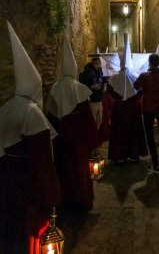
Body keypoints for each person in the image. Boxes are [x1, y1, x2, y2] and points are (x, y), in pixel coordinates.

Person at [0, 22, 61, 254]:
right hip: (27, 184)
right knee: (28, 234)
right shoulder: (32, 112)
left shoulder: (4, 109)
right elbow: (42, 159)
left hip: (6, 182)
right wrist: (52, 195)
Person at [46, 33, 99, 211]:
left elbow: (51, 115)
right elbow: (87, 118)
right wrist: (93, 142)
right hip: (79, 140)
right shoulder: (79, 89)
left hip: (61, 139)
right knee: (80, 171)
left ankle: (65, 202)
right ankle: (82, 201)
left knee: (64, 169)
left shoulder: (55, 88)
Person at [107, 33, 147, 163]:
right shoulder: (134, 76)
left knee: (119, 132)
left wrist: (120, 98)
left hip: (118, 108)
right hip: (132, 108)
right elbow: (141, 91)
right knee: (133, 131)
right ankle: (133, 155)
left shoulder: (115, 77)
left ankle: (119, 156)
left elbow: (109, 90)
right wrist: (132, 99)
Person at [134, 53, 159, 173]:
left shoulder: (144, 76)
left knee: (150, 136)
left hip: (148, 109)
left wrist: (143, 89)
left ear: (149, 62)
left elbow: (135, 86)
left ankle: (156, 164)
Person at [79, 57, 105, 129]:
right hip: (92, 99)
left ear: (99, 63)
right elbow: (82, 85)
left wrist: (104, 86)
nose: (95, 65)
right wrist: (91, 87)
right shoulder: (87, 72)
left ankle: (97, 134)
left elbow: (102, 81)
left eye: (97, 64)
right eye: (94, 64)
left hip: (99, 98)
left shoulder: (100, 70)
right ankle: (92, 136)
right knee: (92, 119)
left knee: (99, 119)